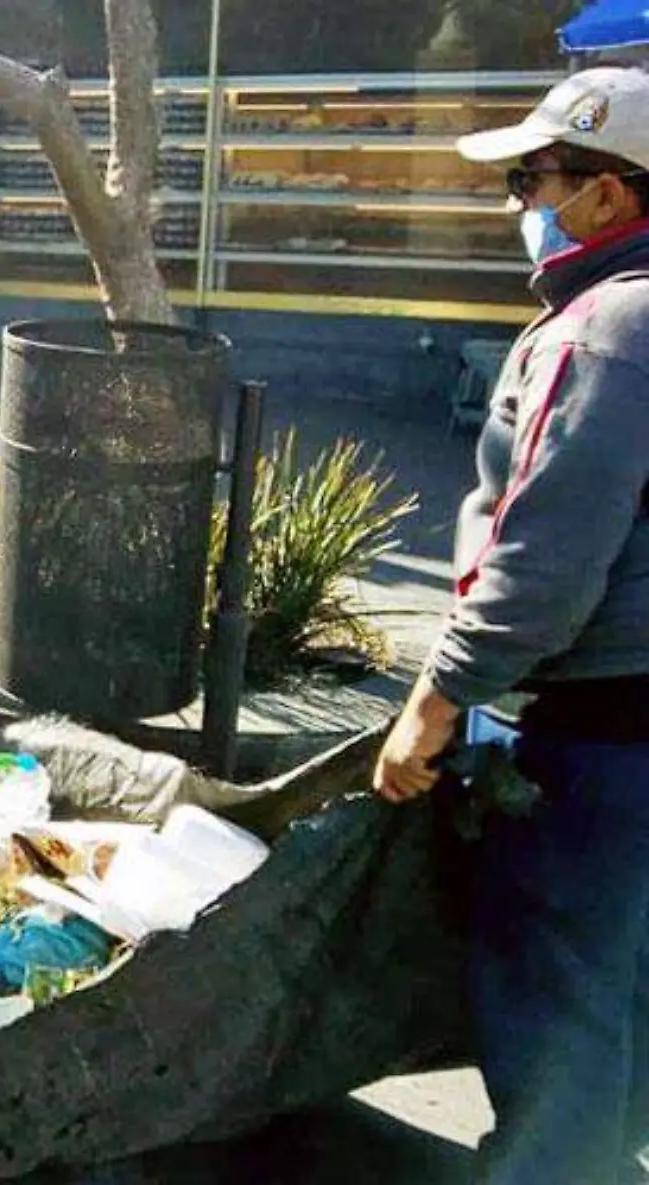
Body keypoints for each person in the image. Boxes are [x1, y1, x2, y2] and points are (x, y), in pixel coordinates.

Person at [373, 67, 649, 1185]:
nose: (517, 202)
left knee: (560, 998)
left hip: (600, 731)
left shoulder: (604, 333)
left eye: (534, 178)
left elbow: (542, 562)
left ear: (610, 195)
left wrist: (433, 704)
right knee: (622, 991)